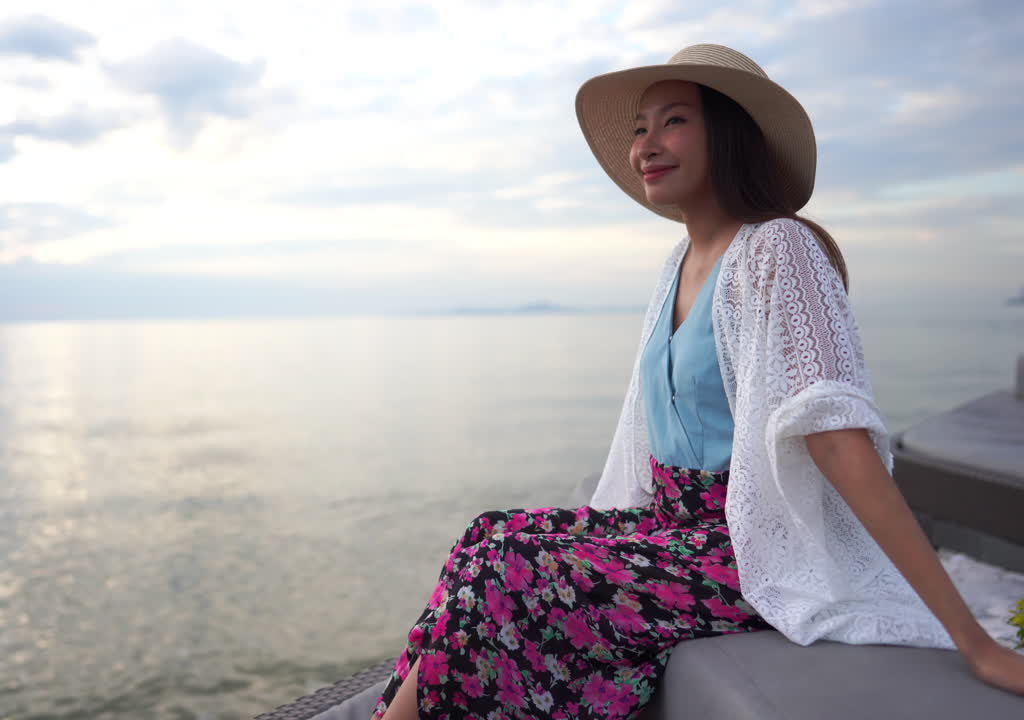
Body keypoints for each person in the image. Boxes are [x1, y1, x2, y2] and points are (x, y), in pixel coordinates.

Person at [370, 44, 1024, 720]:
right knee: (489, 535)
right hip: (670, 527)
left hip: (747, 545)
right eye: (638, 128)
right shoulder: (678, 264)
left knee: (508, 560)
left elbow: (835, 436)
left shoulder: (779, 248)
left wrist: (971, 640)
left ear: (730, 133)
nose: (647, 144)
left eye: (673, 121)